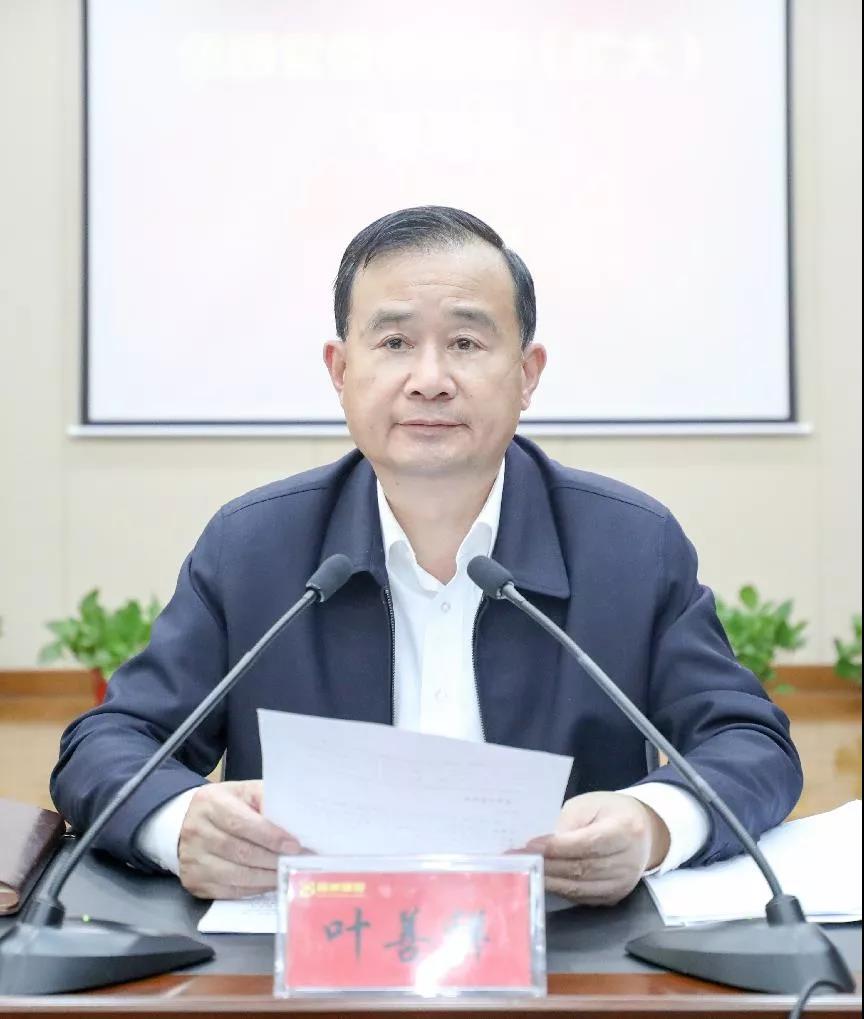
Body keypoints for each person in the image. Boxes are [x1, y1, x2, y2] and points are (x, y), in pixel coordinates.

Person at [51, 206, 801, 905]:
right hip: (310, 953)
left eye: (467, 343)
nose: (431, 380)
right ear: (340, 371)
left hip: (570, 954)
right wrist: (179, 823)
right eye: (394, 343)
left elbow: (747, 741)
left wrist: (654, 823)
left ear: (528, 374)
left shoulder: (629, 545)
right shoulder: (254, 547)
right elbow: (107, 744)